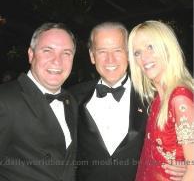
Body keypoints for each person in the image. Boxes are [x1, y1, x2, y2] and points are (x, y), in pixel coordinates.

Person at [69, 21, 186, 181]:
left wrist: (187, 162)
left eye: (118, 50)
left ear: (129, 54)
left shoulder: (154, 97)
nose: (110, 59)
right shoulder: (72, 98)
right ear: (92, 56)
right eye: (102, 51)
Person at [0, 23, 78, 181]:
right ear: (31, 54)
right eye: (48, 50)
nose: (57, 61)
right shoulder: (0, 101)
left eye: (66, 53)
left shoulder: (71, 100)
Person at [128, 20, 194, 181]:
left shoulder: (179, 99)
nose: (144, 57)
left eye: (150, 47)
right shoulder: (159, 98)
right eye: (137, 52)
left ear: (167, 48)